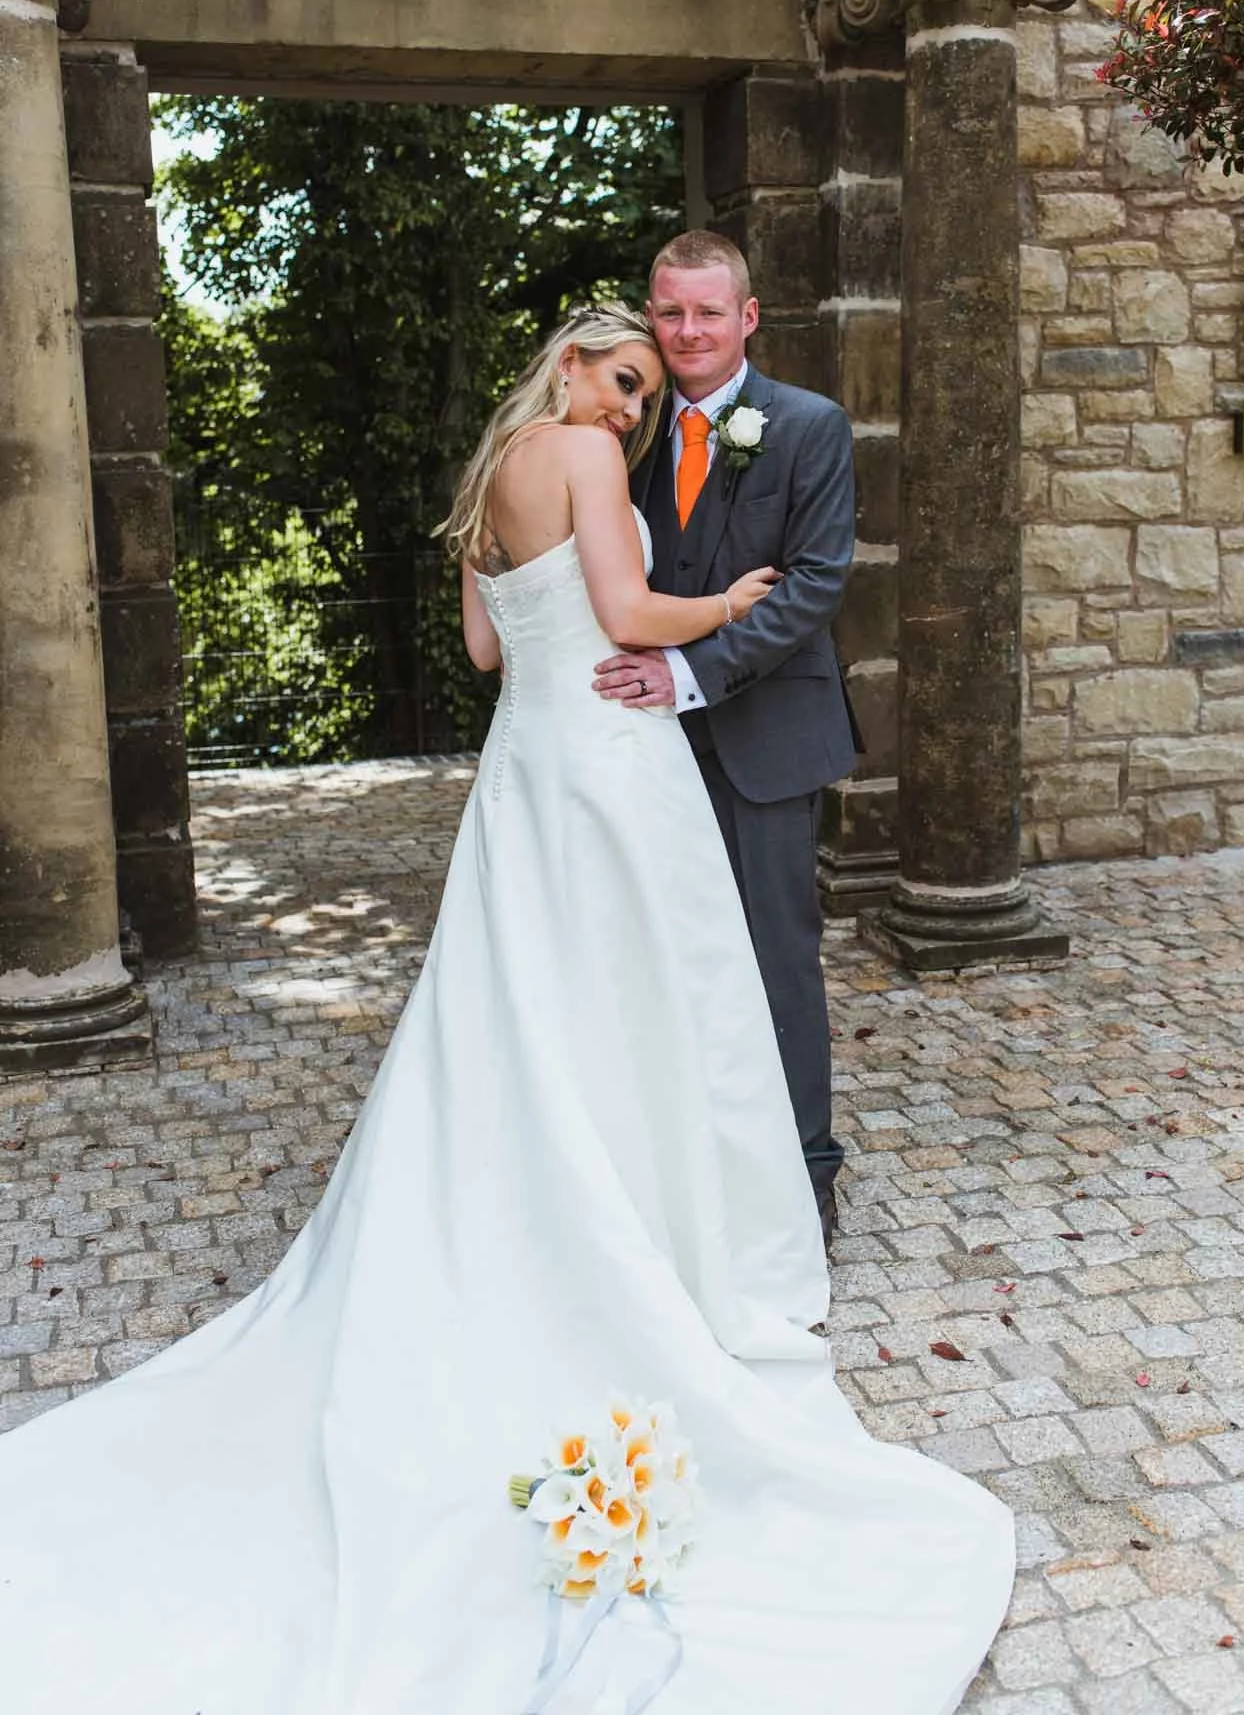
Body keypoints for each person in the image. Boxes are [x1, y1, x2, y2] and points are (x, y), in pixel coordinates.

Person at [0, 304, 1012, 1714]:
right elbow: (628, 618)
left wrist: (605, 619)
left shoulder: (487, 482)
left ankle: (548, 1202)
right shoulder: (587, 461)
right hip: (609, 765)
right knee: (641, 1002)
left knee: (525, 1008)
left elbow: (487, 653)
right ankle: (648, 1233)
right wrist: (724, 605)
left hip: (528, 767)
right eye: (621, 374)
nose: (629, 406)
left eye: (646, 391)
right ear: (570, 363)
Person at [594, 232, 855, 1250]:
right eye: (669, 311)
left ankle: (805, 1174)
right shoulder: (624, 429)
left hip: (766, 739)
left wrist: (688, 671)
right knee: (662, 955)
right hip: (643, 743)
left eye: (707, 311)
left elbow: (815, 583)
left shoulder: (807, 426)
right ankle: (691, 1164)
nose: (687, 331)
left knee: (775, 962)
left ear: (746, 316)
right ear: (649, 315)